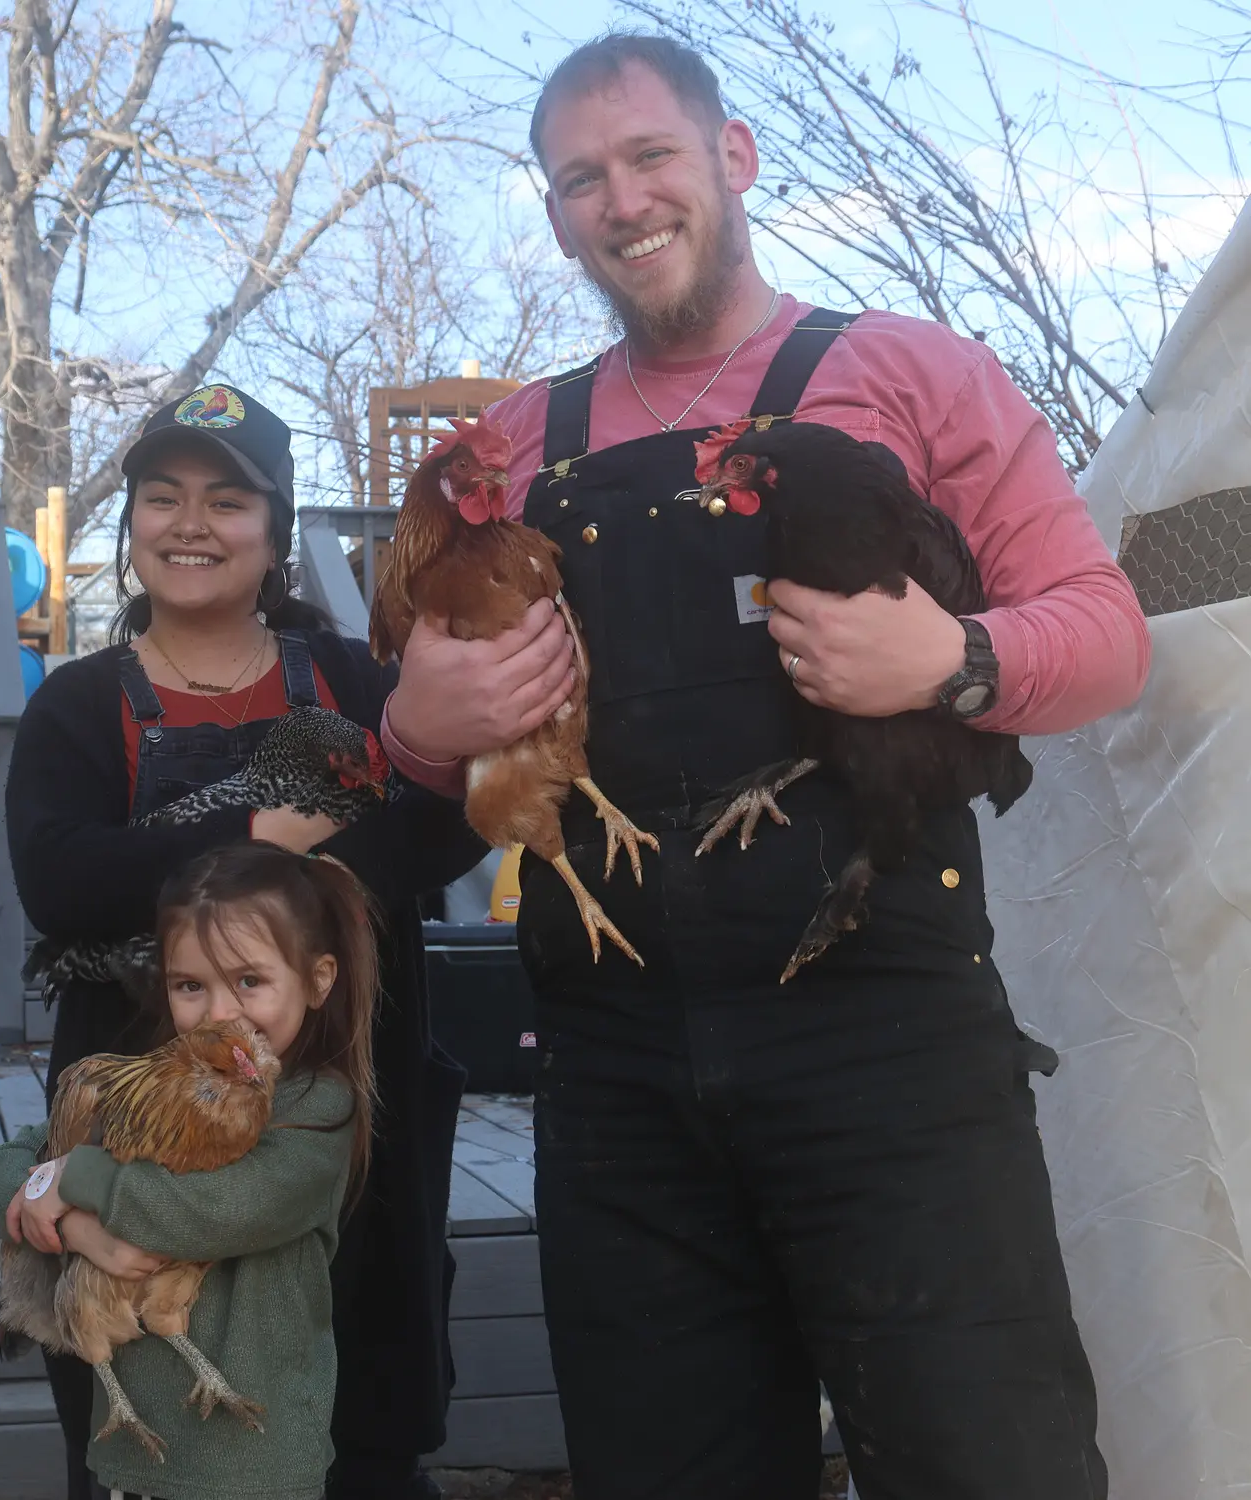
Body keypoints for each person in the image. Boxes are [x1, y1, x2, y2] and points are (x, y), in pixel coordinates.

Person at [381, 34, 1152, 1500]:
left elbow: (1109, 633)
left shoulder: (912, 371)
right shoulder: (511, 445)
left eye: (651, 155)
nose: (622, 199)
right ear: (557, 214)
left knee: (990, 1465)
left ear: (732, 158)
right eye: (580, 180)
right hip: (613, 1070)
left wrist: (953, 665)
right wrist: (420, 725)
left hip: (887, 1049)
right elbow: (422, 771)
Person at [5, 384, 485, 1500]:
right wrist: (271, 833)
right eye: (162, 498)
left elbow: (446, 827)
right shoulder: (82, 705)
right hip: (152, 1131)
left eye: (227, 501)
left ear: (274, 532)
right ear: (130, 528)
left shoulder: (357, 684)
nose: (191, 525)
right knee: (149, 1419)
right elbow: (59, 881)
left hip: (347, 1110)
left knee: (365, 1408)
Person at [0, 842, 378, 1500]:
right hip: (138, 1453)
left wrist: (78, 1179)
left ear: (318, 978)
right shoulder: (146, 1088)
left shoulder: (316, 1110)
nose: (220, 1012)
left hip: (257, 1463)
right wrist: (73, 1226)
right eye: (190, 985)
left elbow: (216, 1211)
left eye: (249, 980)